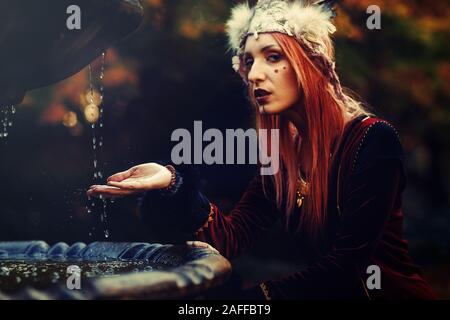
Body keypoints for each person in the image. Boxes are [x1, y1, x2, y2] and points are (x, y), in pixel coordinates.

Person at [87, 0, 436, 299]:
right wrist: (171, 182)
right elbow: (231, 237)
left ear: (311, 64)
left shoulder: (373, 141)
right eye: (249, 61)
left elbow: (345, 267)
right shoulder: (282, 159)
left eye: (273, 57)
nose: (255, 74)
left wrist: (251, 301)